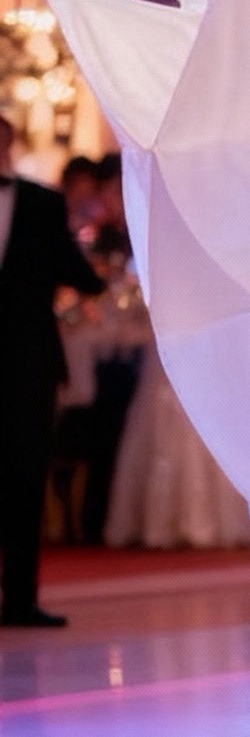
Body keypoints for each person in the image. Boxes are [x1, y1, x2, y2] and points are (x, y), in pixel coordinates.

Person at [0, 112, 105, 627]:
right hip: (27, 360)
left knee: (25, 478)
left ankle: (21, 600)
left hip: (28, 363)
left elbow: (78, 273)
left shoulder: (41, 203)